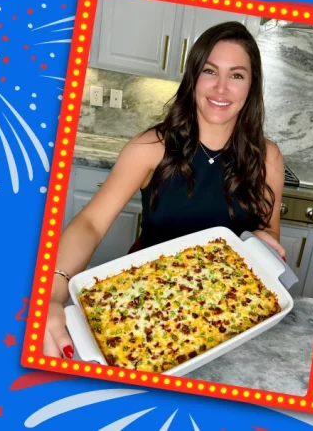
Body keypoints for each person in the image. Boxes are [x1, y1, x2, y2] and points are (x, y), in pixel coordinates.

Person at [43, 21, 286, 359]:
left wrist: (265, 241)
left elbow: (268, 232)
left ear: (252, 86)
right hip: (145, 307)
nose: (220, 88)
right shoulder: (150, 147)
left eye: (236, 75)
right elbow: (91, 223)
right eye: (209, 71)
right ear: (193, 79)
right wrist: (52, 294)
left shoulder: (268, 158)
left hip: (228, 310)